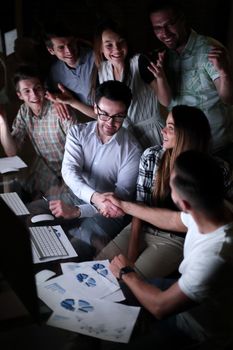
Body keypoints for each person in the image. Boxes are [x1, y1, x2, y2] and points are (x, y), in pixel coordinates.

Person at [106, 150, 233, 349]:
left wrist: (126, 272)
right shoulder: (213, 204)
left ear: (183, 203)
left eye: (171, 185)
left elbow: (160, 306)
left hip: (200, 323)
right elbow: (173, 219)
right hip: (187, 287)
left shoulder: (215, 255)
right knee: (121, 293)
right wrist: (125, 205)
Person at [96, 105, 233, 279]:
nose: (162, 131)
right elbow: (140, 206)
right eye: (165, 125)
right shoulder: (152, 156)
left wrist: (129, 271)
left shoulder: (219, 170)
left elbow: (219, 218)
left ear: (187, 134)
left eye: (170, 128)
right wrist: (131, 254)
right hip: (140, 228)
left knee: (129, 284)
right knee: (97, 268)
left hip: (174, 239)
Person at [48, 80, 142, 258]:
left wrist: (78, 211)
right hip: (75, 194)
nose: (110, 122)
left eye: (118, 116)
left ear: (126, 113)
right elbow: (69, 171)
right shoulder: (77, 133)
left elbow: (118, 201)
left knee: (73, 252)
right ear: (95, 108)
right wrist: (94, 197)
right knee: (34, 215)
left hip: (110, 212)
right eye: (104, 114)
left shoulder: (133, 151)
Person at [46, 19, 171, 149]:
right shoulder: (101, 70)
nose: (116, 49)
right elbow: (100, 114)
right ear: (100, 48)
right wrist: (72, 102)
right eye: (109, 45)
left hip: (153, 133)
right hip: (124, 138)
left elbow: (166, 101)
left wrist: (161, 78)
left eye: (121, 42)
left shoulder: (139, 62)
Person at [148, 0, 233, 165]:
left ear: (182, 19)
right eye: (157, 28)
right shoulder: (163, 56)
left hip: (217, 146)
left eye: (170, 24)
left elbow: (229, 99)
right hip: (183, 148)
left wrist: (224, 72)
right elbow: (166, 101)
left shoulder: (209, 49)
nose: (164, 33)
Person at [0, 64, 76, 174]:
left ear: (44, 88)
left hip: (70, 172)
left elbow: (79, 150)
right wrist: (2, 122)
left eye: (38, 88)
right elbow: (12, 152)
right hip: (47, 174)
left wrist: (64, 180)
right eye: (27, 91)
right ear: (19, 95)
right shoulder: (24, 111)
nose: (34, 95)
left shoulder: (60, 108)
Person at [43, 21, 96, 119]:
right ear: (51, 50)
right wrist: (55, 101)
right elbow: (46, 91)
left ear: (76, 41)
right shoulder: (54, 72)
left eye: (71, 44)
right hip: (82, 118)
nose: (69, 51)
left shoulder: (95, 58)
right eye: (61, 48)